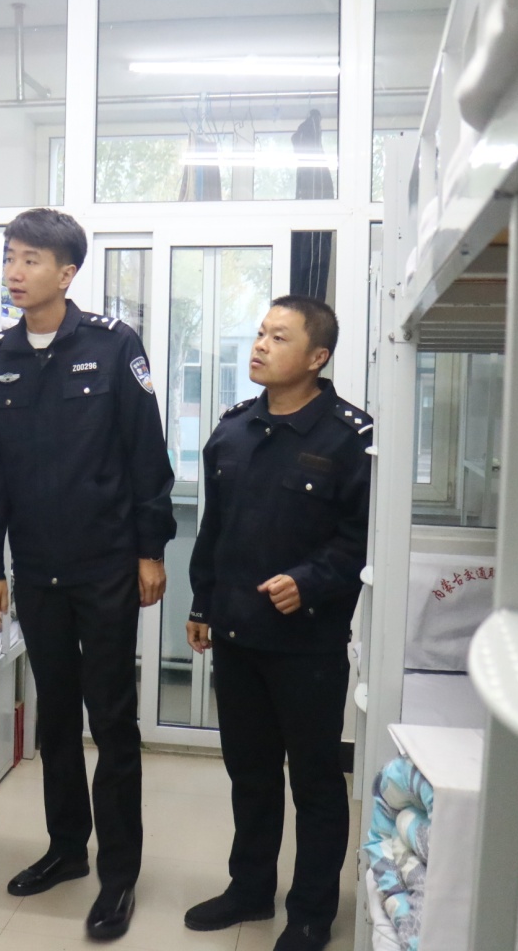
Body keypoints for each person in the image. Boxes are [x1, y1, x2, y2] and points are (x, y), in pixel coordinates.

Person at [0, 208, 176, 941]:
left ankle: (118, 875)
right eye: (9, 258)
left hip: (107, 565)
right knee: (53, 716)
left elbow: (146, 454)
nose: (14, 272)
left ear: (67, 273)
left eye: (30, 260)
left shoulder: (113, 346)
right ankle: (65, 850)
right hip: (37, 569)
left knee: (111, 720)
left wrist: (151, 551)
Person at [182, 296, 371, 951]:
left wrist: (309, 581)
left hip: (307, 646)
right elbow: (214, 530)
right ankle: (250, 889)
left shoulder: (351, 438)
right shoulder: (234, 429)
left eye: (278, 337)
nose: (260, 345)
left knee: (314, 781)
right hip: (237, 635)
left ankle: (312, 912)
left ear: (317, 357)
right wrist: (202, 603)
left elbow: (361, 540)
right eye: (260, 333)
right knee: (251, 774)